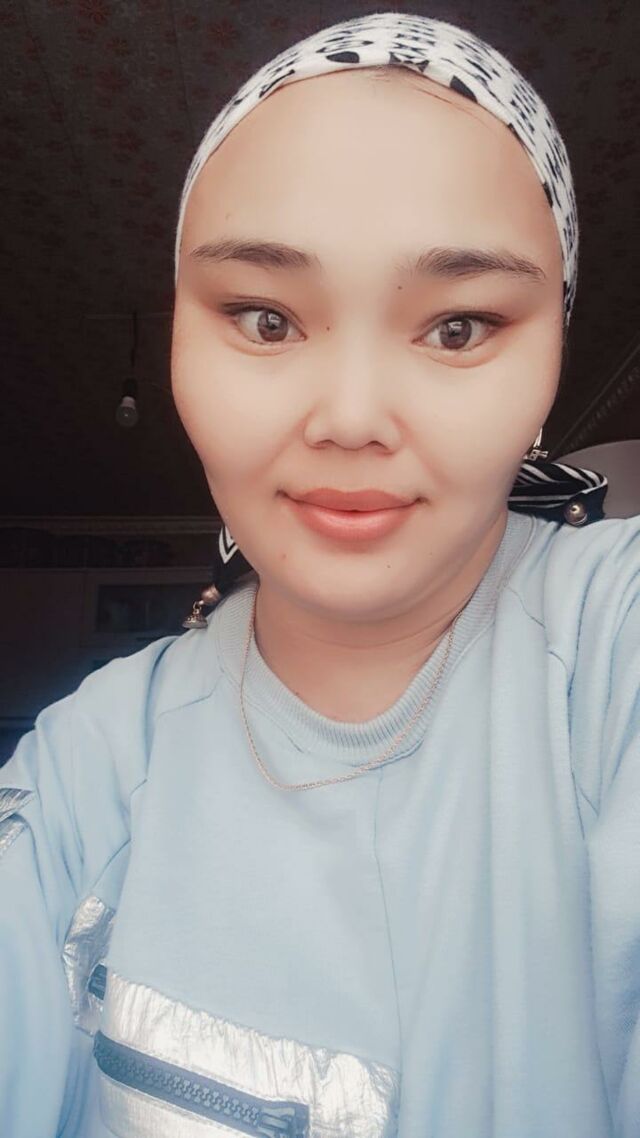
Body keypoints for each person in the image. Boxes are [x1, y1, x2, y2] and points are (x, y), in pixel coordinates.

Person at [0, 12, 638, 1138]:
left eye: (456, 328)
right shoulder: (85, 766)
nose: (349, 417)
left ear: (551, 361)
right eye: (265, 318)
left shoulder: (613, 651)